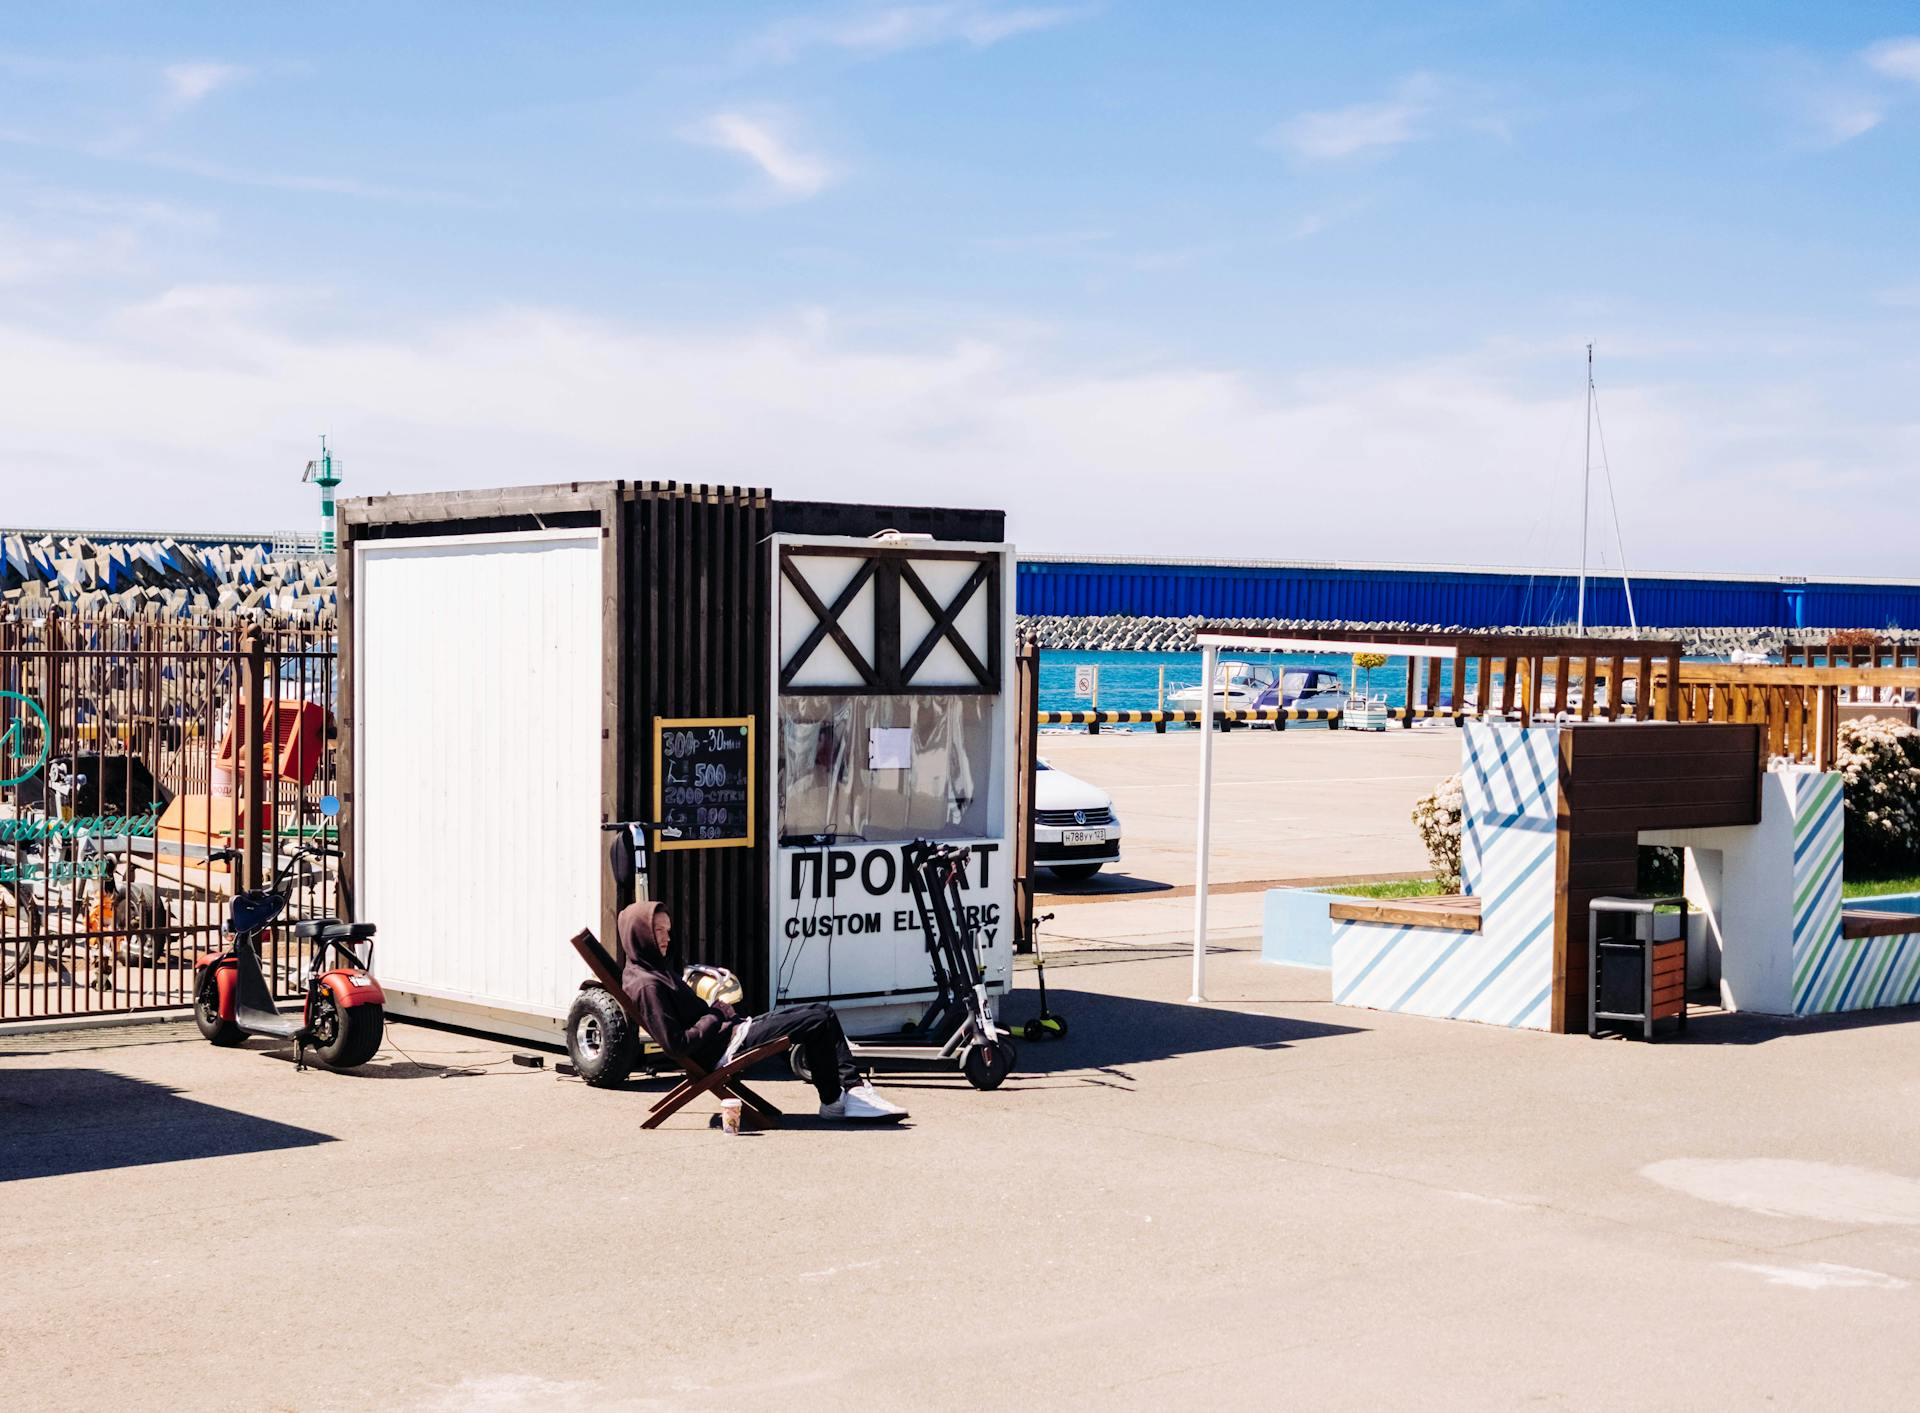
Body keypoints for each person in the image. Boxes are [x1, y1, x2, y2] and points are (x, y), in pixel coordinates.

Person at [617, 900, 906, 1121]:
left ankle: (841, 1097)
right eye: (657, 931)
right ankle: (847, 1095)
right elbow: (677, 1045)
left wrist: (719, 1014)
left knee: (820, 1013)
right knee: (820, 1018)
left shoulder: (651, 971)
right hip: (724, 1047)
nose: (665, 937)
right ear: (639, 933)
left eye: (667, 930)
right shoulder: (647, 984)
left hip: (730, 1034)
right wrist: (716, 1013)